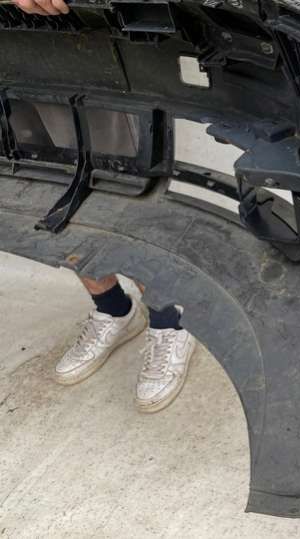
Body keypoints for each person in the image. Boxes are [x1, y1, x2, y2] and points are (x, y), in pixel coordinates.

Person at [12, 0, 197, 413]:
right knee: (47, 185)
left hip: (84, 30)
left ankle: (169, 320)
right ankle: (113, 308)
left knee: (120, 186)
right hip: (9, 38)